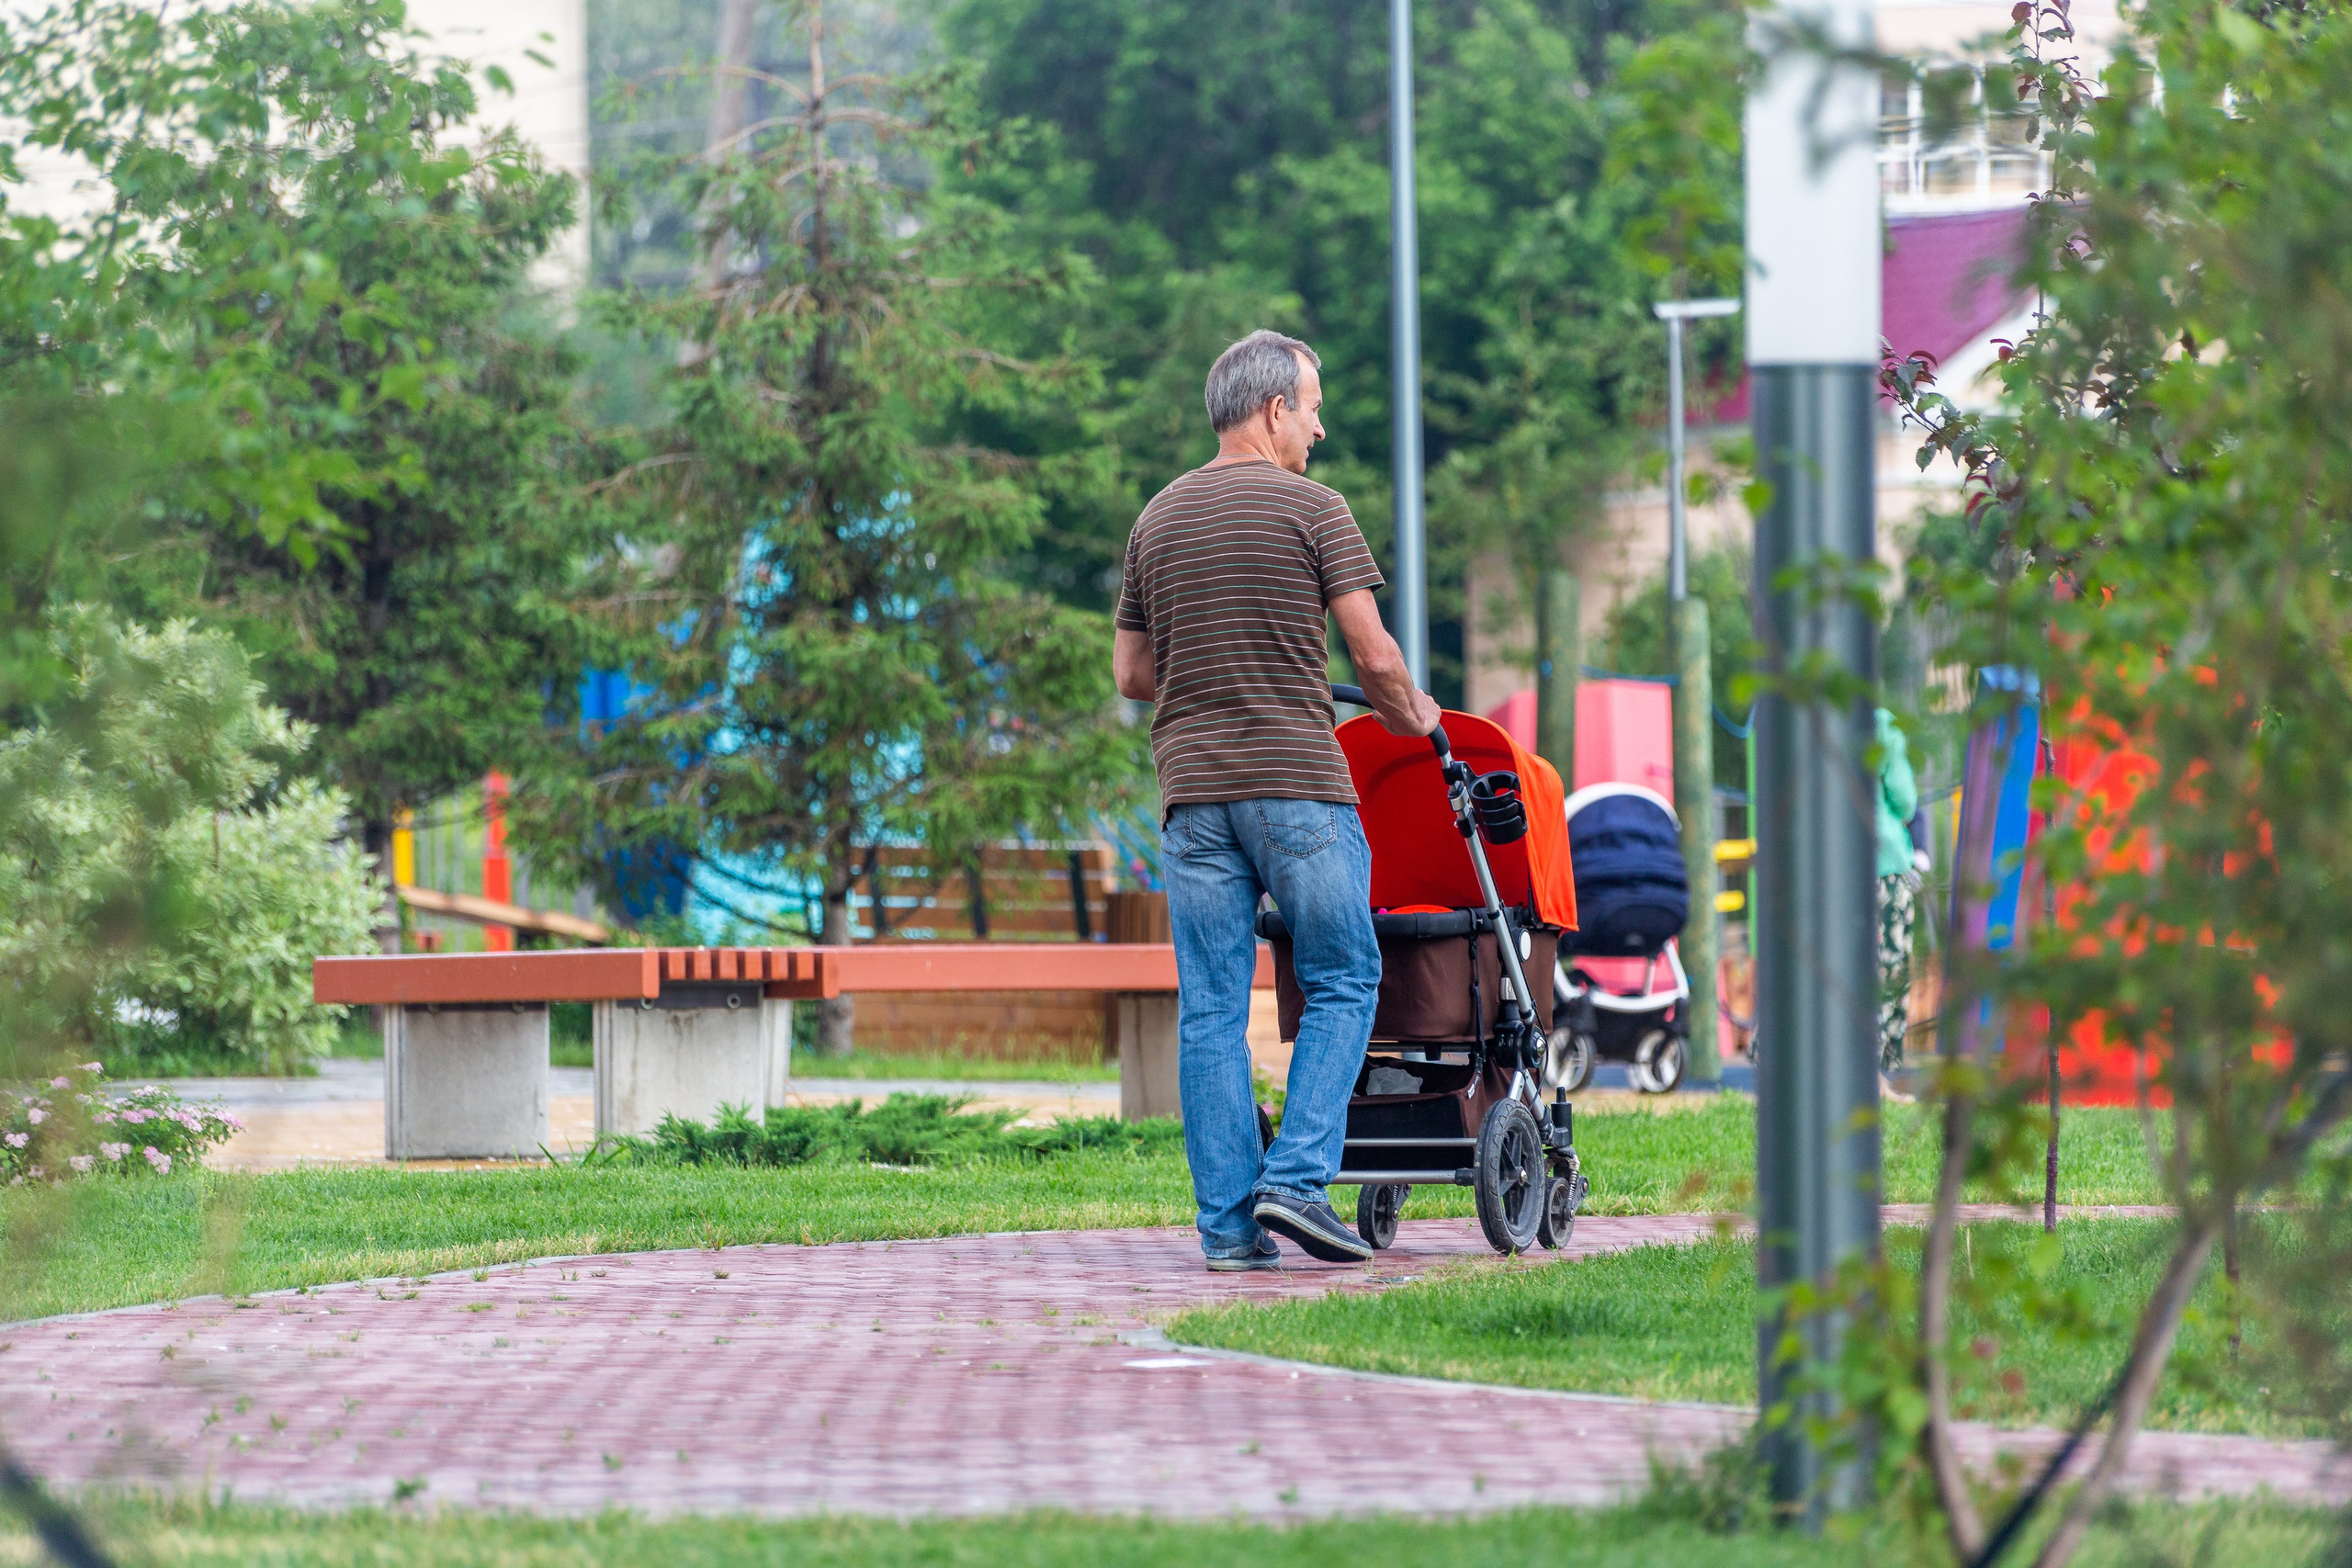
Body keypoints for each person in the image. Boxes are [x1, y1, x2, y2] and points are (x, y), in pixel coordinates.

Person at [1113, 329, 1442, 1272]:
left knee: (1212, 1008)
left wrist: (1210, 662)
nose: (1320, 426)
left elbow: (1133, 672)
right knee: (1342, 975)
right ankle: (1296, 1183)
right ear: (1271, 411)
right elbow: (1373, 655)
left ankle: (1228, 1232)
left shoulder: (1157, 518)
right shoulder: (1313, 509)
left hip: (1192, 797)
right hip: (1296, 783)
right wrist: (1413, 718)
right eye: (1311, 405)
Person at [1875, 706, 1923, 1100]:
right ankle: (1875, 1074)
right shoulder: (1880, 725)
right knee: (1889, 968)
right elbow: (1905, 800)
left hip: (1817, 866)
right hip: (1882, 863)